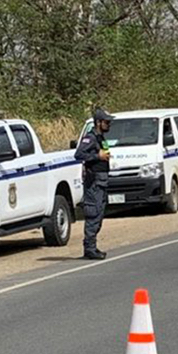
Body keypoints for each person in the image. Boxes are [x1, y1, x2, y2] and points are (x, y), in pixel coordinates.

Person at [75, 108, 114, 260]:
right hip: (94, 182)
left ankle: (93, 246)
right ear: (98, 123)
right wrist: (97, 156)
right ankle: (89, 248)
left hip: (102, 181)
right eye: (106, 122)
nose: (109, 124)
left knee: (99, 214)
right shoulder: (90, 138)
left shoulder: (101, 137)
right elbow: (79, 154)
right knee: (93, 213)